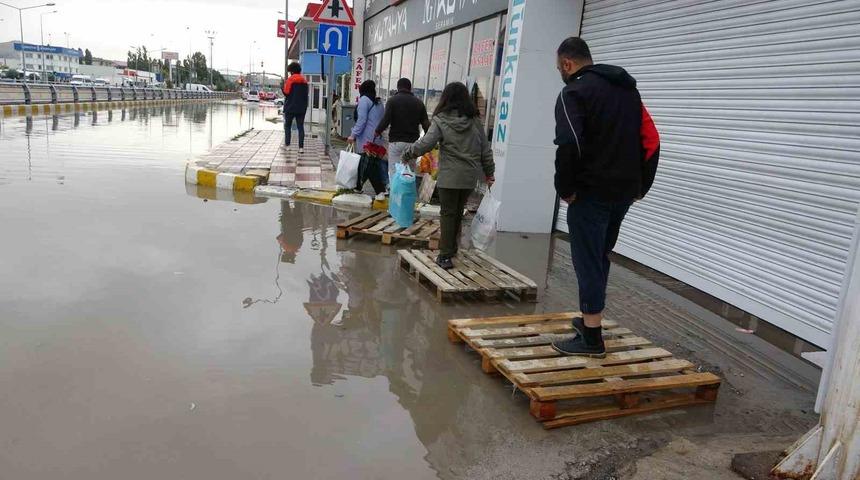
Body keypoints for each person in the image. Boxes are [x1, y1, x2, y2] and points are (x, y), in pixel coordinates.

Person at [550, 37, 661, 358]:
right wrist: (641, 185)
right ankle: (589, 321)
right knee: (600, 255)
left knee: (587, 260)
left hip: (590, 192)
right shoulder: (628, 91)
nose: (560, 73)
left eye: (559, 67)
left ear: (568, 64)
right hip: (622, 191)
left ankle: (592, 338)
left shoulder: (573, 92)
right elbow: (652, 140)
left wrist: (566, 188)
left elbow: (568, 143)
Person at [403, 82, 495, 270]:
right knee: (457, 213)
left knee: (447, 214)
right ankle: (452, 249)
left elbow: (426, 143)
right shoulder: (475, 120)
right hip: (469, 177)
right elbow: (485, 149)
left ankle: (445, 256)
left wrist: (409, 153)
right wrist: (489, 172)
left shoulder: (441, 119)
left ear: (446, 98)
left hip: (449, 176)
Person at [374, 78, 431, 187]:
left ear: (398, 87)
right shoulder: (419, 103)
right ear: (410, 88)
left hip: (396, 142)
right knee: (409, 172)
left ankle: (395, 197)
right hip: (412, 144)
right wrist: (430, 139)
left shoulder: (392, 101)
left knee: (394, 172)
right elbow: (426, 124)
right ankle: (406, 196)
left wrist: (377, 131)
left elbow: (386, 119)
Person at [348, 80, 387, 199]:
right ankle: (358, 187)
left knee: (369, 166)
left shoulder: (364, 100)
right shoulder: (379, 102)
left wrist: (353, 135)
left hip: (366, 140)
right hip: (377, 138)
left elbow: (361, 121)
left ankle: (380, 190)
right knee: (367, 164)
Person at [282, 62, 309, 153]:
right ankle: (301, 148)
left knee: (288, 126)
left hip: (290, 107)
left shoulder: (290, 80)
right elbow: (306, 95)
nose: (289, 73)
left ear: (292, 71)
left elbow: (286, 93)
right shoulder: (304, 81)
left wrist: (282, 87)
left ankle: (288, 146)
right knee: (300, 127)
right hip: (301, 108)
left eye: (290, 72)